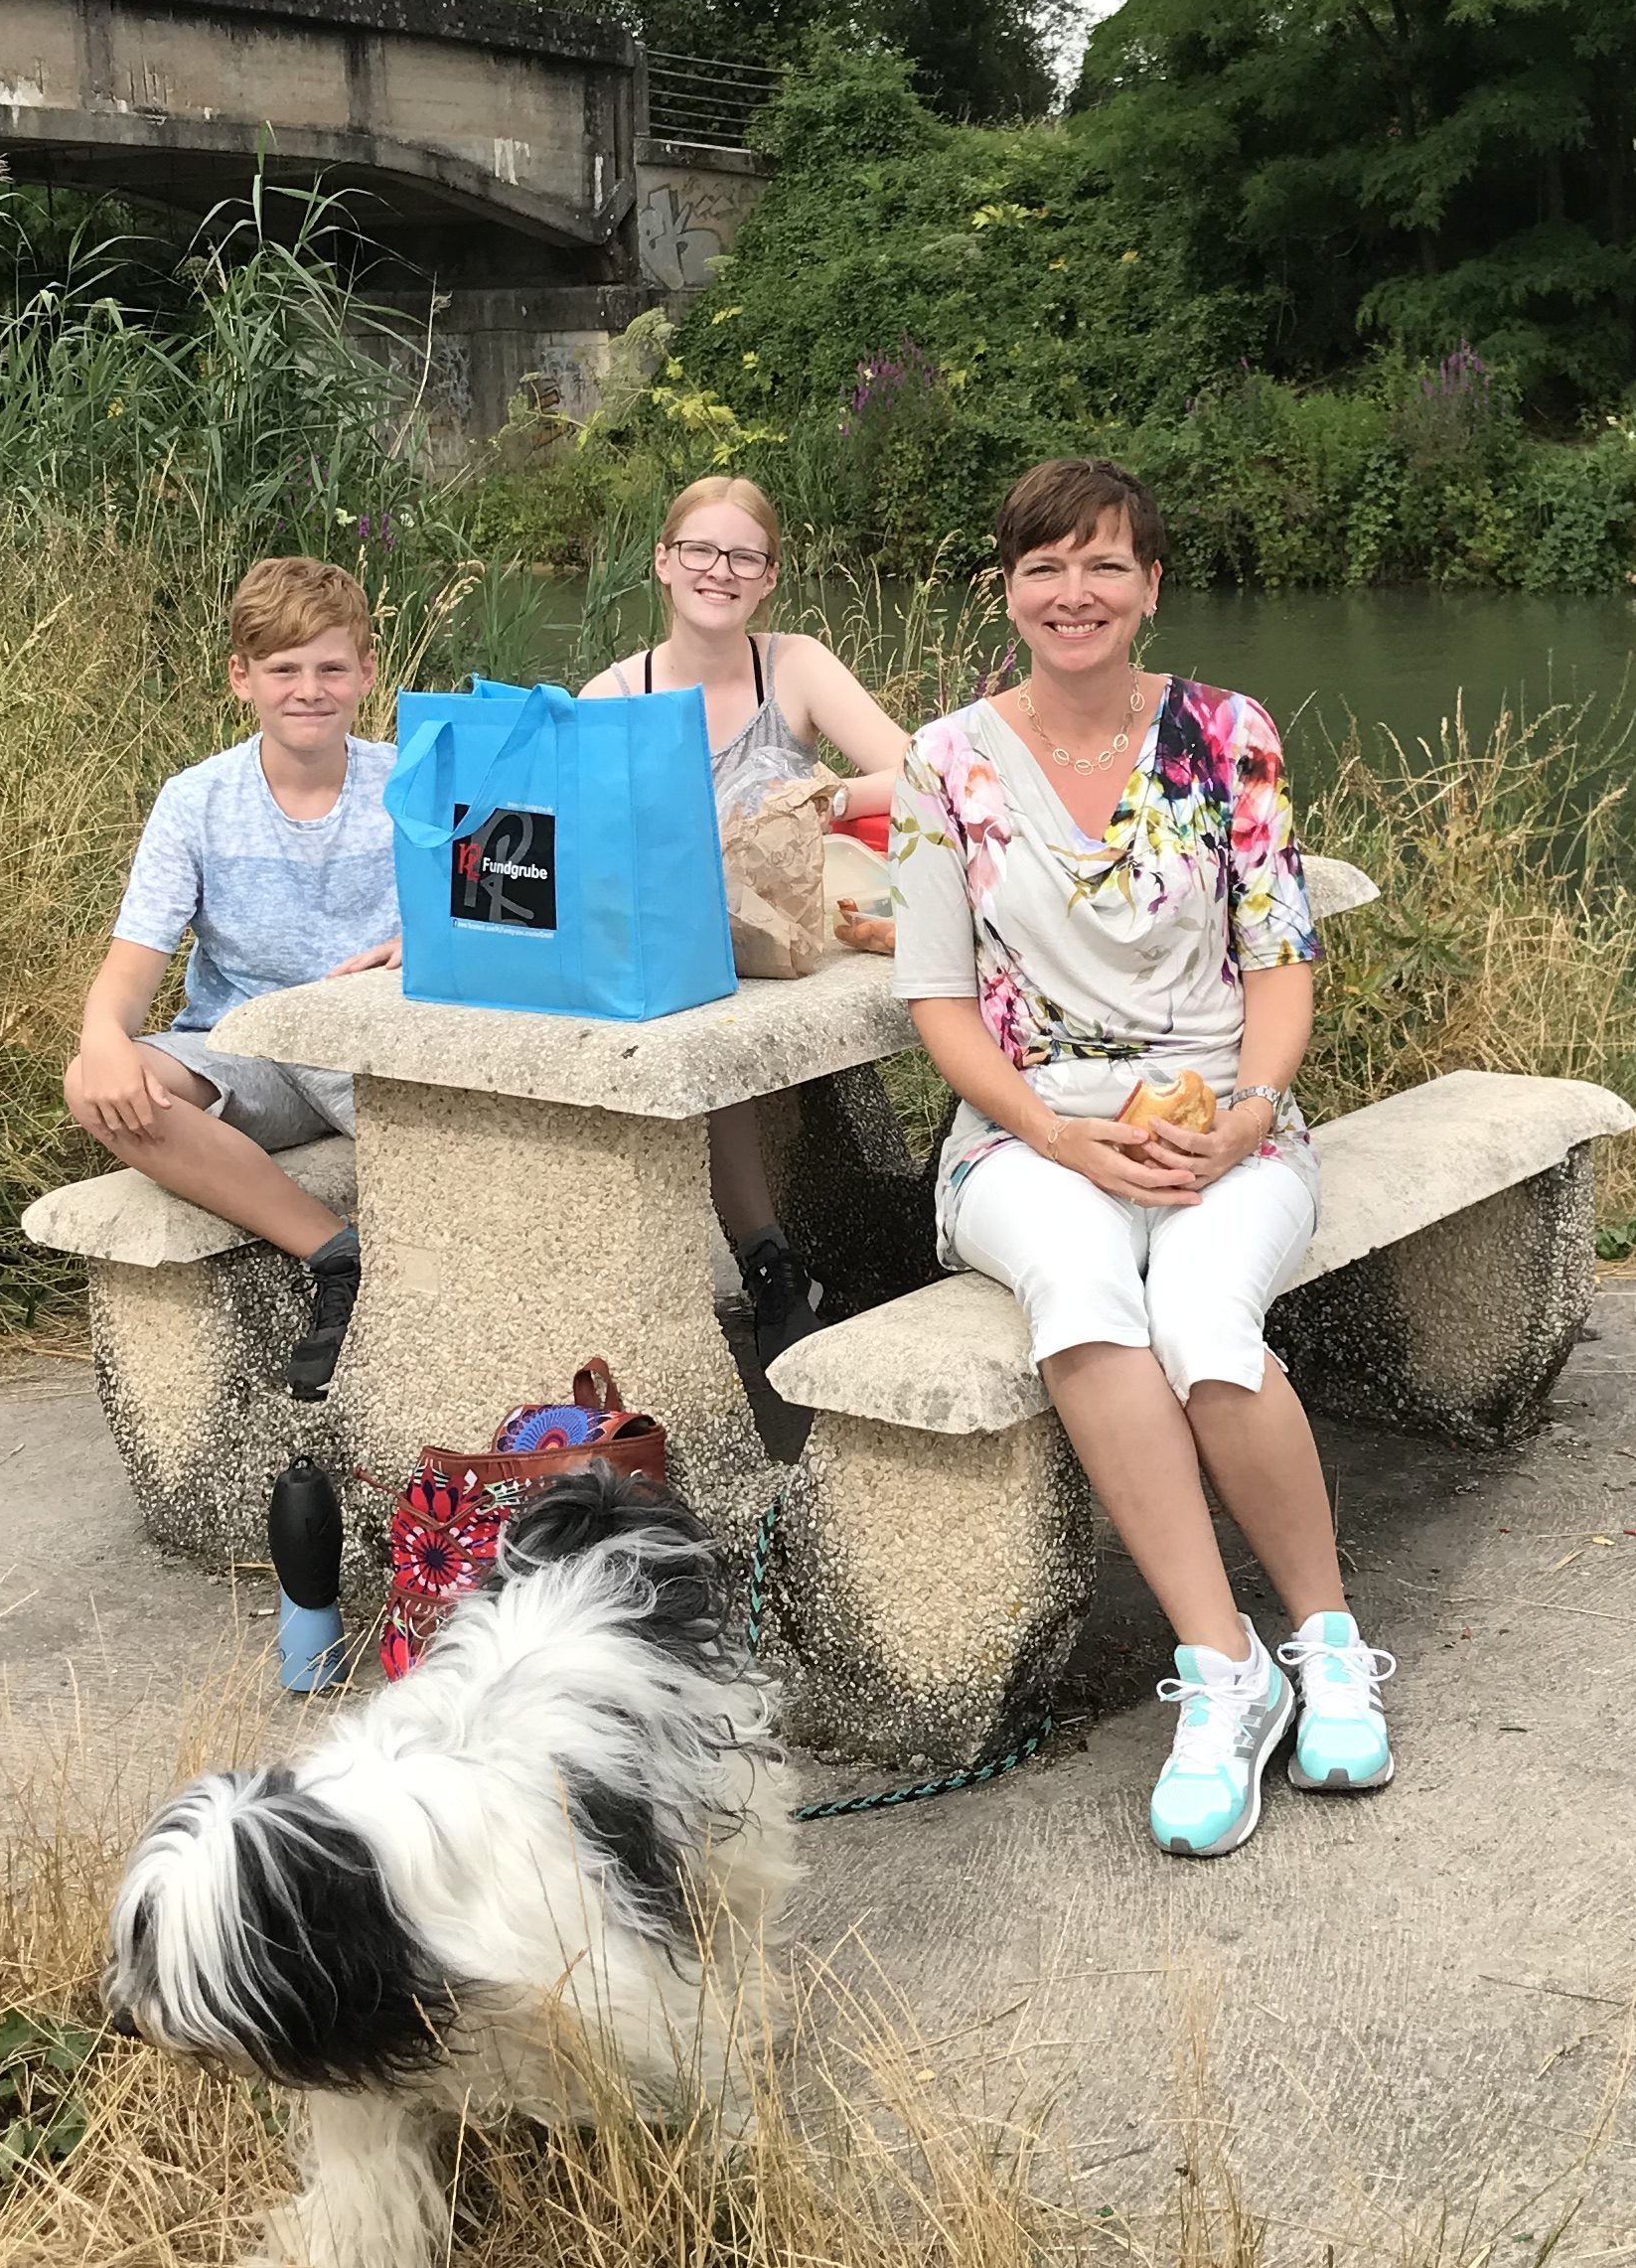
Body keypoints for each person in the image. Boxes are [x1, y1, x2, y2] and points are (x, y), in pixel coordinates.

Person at [885, 457, 1392, 1858]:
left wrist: (1249, 1108)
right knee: (1084, 1296)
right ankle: (1225, 1674)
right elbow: (936, 1000)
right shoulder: (943, 763)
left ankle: (1329, 1640)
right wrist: (1057, 1134)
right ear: (1009, 590)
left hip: (1224, 1115)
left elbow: (1278, 960)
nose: (1075, 592)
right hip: (1028, 1131)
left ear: (1151, 586)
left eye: (1105, 563)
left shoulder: (1232, 736)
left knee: (1206, 1314)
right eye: (1044, 566)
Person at [579, 472, 910, 1366]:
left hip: (790, 935)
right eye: (699, 550)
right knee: (690, 999)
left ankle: (792, 1254)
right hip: (677, 944)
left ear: (767, 577)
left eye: (742, 556)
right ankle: (766, 1260)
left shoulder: (793, 665)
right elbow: (555, 838)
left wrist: (825, 799)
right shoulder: (611, 697)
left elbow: (922, 772)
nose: (718, 570)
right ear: (662, 563)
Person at [66, 555, 399, 1394]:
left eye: (330, 668)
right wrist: (103, 1036)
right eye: (283, 670)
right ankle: (335, 1256)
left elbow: (496, 921)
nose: (308, 690)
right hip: (246, 1049)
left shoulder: (411, 785)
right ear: (240, 679)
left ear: (366, 671)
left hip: (377, 1051)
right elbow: (131, 968)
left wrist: (428, 950)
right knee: (94, 1081)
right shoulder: (197, 800)